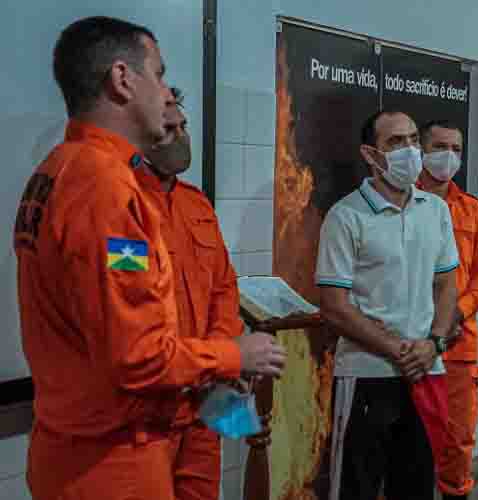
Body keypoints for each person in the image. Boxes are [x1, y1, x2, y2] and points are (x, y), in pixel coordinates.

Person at [15, 16, 285, 500]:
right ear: (122, 79)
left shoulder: (68, 170)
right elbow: (137, 358)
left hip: (162, 417)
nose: (166, 95)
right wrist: (235, 354)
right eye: (158, 74)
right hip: (112, 454)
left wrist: (224, 372)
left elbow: (218, 288)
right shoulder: (106, 188)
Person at [316, 110, 460, 500]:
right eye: (396, 142)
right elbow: (334, 306)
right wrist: (396, 349)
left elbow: (447, 284)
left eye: (414, 139)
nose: (410, 150)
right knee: (356, 487)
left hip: (425, 371)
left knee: (415, 486)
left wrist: (434, 343)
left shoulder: (436, 210)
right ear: (371, 154)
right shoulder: (345, 216)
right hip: (367, 374)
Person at [135, 87, 243, 499]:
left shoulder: (197, 204)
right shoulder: (122, 206)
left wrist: (221, 359)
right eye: (167, 129)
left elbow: (223, 287)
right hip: (152, 404)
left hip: (209, 391)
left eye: (184, 127)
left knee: (205, 489)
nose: (180, 137)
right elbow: (127, 305)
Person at [416, 120, 478, 500]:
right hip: (407, 341)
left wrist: (459, 310)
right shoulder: (401, 203)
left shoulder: (472, 211)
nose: (448, 155)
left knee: (458, 439)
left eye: (456, 148)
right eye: (439, 146)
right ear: (421, 149)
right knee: (407, 438)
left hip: (458, 343)